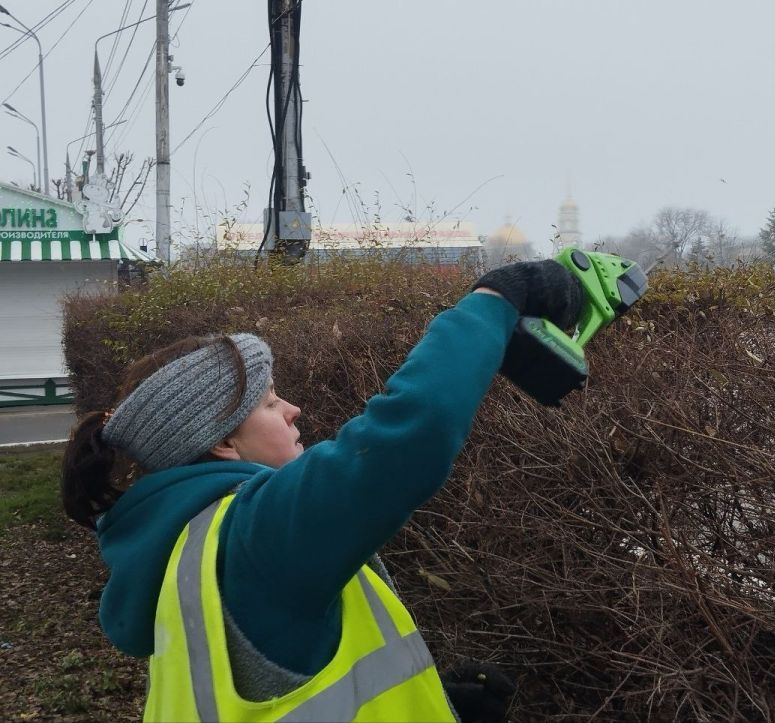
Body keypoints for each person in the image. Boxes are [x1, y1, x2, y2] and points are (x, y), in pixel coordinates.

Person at [61, 260, 583, 723]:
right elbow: (408, 437)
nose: (293, 409)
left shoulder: (179, 558)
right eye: (268, 403)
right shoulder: (253, 537)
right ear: (221, 441)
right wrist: (492, 302)